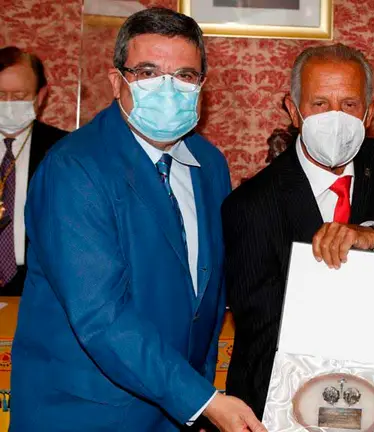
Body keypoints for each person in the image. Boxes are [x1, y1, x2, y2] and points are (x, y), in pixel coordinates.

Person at [10, 8, 263, 432]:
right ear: (117, 82)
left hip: (175, 412)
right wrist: (202, 400)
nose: (167, 89)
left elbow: (206, 293)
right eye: (147, 72)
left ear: (202, 86)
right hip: (87, 411)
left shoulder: (210, 164)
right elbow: (100, 315)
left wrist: (196, 395)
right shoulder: (74, 168)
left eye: (184, 75)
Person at [222, 43, 374, 417]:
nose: (334, 118)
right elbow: (259, 336)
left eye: (349, 105)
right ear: (294, 111)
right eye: (319, 104)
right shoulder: (250, 205)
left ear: (369, 112)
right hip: (284, 404)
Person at [0, 46, 67, 296]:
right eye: (0, 94)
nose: (7, 105)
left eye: (19, 96)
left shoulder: (64, 151)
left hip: (41, 286)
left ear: (40, 96)